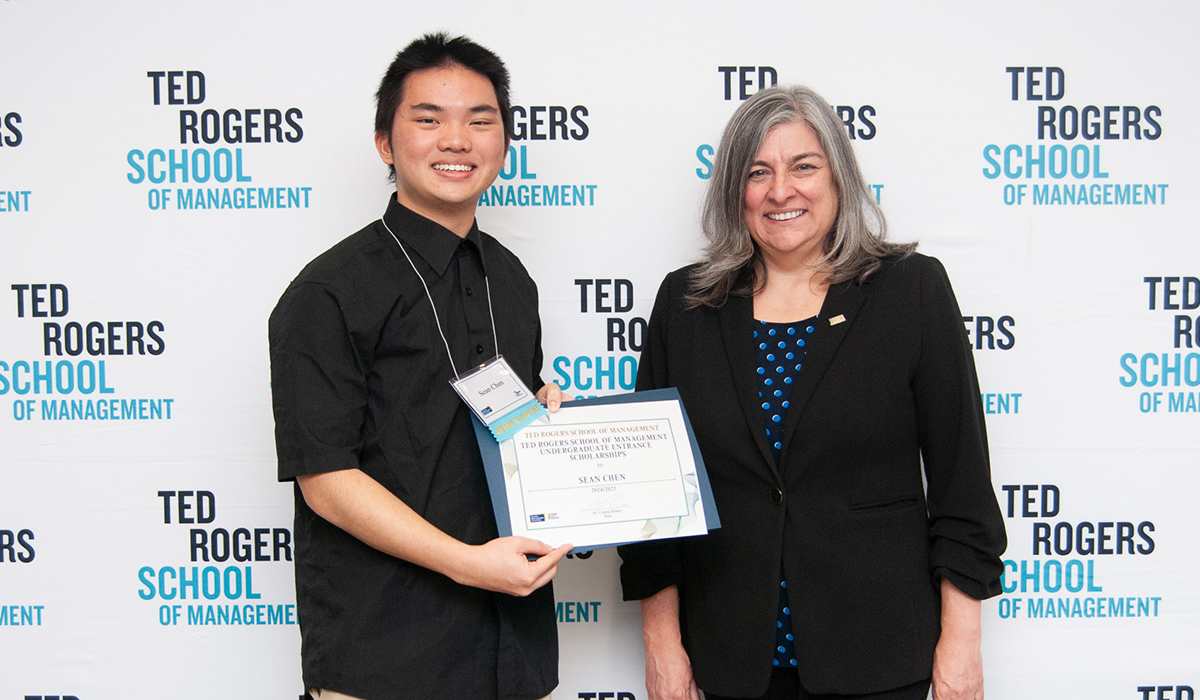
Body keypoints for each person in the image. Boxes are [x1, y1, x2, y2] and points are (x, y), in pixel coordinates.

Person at [618, 85, 1007, 700]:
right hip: (726, 660)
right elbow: (654, 502)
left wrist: (961, 647)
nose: (781, 191)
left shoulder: (912, 290)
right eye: (758, 172)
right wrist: (662, 645)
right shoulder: (685, 303)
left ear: (838, 178)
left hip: (878, 655)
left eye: (803, 166)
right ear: (733, 192)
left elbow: (962, 485)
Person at [269, 33, 570, 700]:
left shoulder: (511, 279)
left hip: (512, 654)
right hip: (387, 657)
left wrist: (549, 431)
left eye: (479, 120)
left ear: (504, 142)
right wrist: (467, 565)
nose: (456, 139)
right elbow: (327, 480)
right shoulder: (329, 292)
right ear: (385, 143)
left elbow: (491, 434)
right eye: (428, 119)